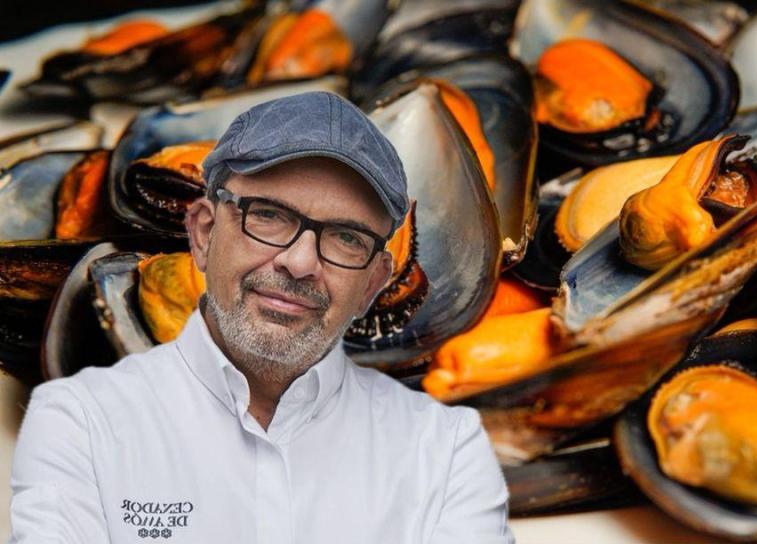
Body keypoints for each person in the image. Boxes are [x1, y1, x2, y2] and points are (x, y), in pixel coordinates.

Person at [8, 91, 514, 543]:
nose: (299, 262)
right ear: (203, 232)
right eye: (267, 216)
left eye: (346, 237)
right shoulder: (79, 427)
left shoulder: (442, 452)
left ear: (378, 280)